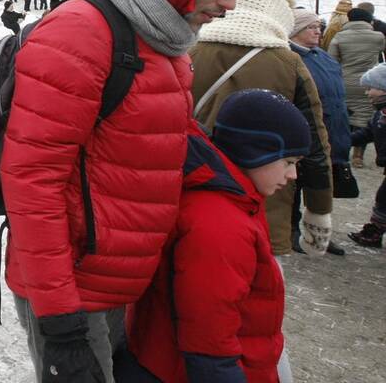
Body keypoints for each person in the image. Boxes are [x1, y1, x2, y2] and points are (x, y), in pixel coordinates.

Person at [1, 0, 279, 383]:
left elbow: (157, 152)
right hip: (72, 290)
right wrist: (61, 322)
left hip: (120, 284)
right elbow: (32, 179)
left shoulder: (164, 40)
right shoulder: (83, 33)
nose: (232, 2)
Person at [119, 90, 308, 383]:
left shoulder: (237, 197)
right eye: (288, 162)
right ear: (257, 151)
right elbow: (209, 335)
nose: (293, 174)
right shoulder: (220, 224)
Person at [191, 0, 334, 258]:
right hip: (264, 202)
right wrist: (319, 208)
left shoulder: (189, 50)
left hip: (195, 191)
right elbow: (315, 142)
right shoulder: (288, 62)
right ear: (278, 10)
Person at [290, 8, 359, 200]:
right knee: (293, 196)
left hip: (332, 132)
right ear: (295, 30)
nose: (318, 31)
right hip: (305, 137)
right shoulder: (288, 58)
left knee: (321, 196)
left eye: (319, 26)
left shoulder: (324, 56)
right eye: (310, 27)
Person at [328, 6, 386, 168]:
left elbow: (332, 61)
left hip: (345, 82)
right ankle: (358, 157)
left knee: (346, 116)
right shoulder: (378, 37)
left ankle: (342, 151)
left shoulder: (339, 37)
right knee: (366, 117)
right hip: (372, 83)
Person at [348, 63, 386, 247]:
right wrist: (342, 141)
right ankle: (375, 230)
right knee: (383, 198)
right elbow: (366, 134)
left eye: (372, 88)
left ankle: (375, 231)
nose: (368, 93)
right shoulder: (380, 115)